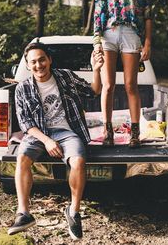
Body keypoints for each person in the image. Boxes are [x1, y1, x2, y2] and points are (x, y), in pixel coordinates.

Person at [8, 42, 103, 240]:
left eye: (42, 59)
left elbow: (93, 91)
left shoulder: (65, 77)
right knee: (22, 158)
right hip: (38, 134)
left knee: (78, 162)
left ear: (49, 60)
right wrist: (48, 141)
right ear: (27, 65)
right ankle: (23, 213)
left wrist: (96, 70)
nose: (38, 65)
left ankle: (74, 212)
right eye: (33, 62)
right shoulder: (22, 89)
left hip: (67, 132)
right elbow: (26, 124)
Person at [93, 0, 153, 148]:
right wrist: (97, 43)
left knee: (130, 85)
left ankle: (134, 133)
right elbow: (97, 15)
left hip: (130, 34)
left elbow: (147, 14)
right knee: (107, 85)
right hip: (108, 34)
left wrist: (147, 43)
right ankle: (107, 130)